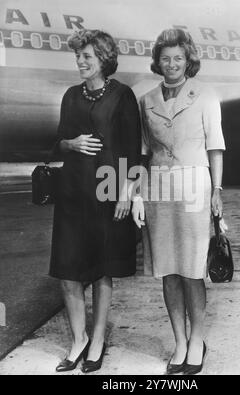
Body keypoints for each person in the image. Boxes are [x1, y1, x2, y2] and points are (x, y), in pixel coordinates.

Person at [132, 28, 226, 375]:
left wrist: (217, 190)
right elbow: (143, 154)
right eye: (165, 58)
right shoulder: (146, 100)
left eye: (178, 58)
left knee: (192, 271)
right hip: (159, 189)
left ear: (189, 61)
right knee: (168, 272)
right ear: (157, 62)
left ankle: (197, 339)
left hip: (195, 188)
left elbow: (215, 147)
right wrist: (139, 192)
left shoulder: (206, 96)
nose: (171, 64)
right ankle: (180, 342)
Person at [49, 29, 141, 374]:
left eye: (87, 56)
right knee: (67, 271)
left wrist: (125, 192)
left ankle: (98, 340)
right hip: (72, 193)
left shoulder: (123, 95)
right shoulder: (71, 95)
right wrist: (70, 144)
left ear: (103, 58)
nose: (80, 62)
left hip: (106, 191)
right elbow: (58, 141)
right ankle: (79, 340)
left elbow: (132, 150)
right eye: (78, 56)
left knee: (102, 270)